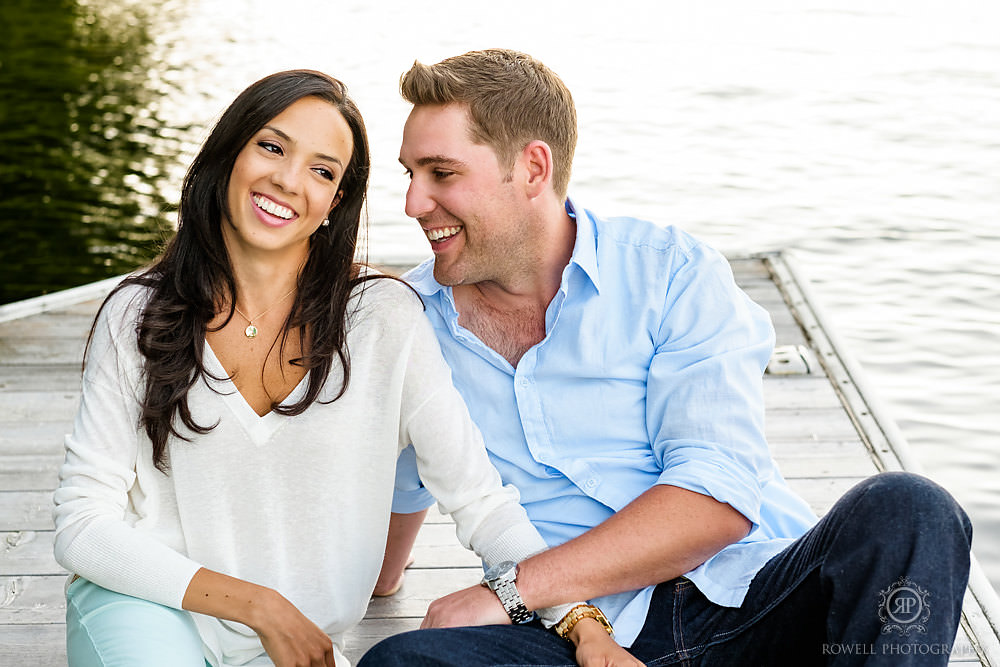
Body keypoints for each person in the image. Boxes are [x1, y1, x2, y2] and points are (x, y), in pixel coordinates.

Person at [360, 49, 974, 666]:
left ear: (532, 168)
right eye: (409, 174)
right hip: (573, 639)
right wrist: (379, 580)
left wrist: (510, 589)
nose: (413, 203)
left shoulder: (670, 273)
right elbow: (402, 489)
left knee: (911, 510)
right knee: (402, 663)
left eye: (441, 173)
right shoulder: (411, 323)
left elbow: (717, 499)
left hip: (753, 602)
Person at [52, 69, 626, 667]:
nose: (288, 180)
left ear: (335, 203)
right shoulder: (138, 314)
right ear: (228, 153)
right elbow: (83, 524)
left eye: (322, 171)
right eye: (272, 147)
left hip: (295, 647)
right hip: (149, 607)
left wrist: (581, 622)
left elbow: (480, 501)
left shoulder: (383, 319)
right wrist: (259, 606)